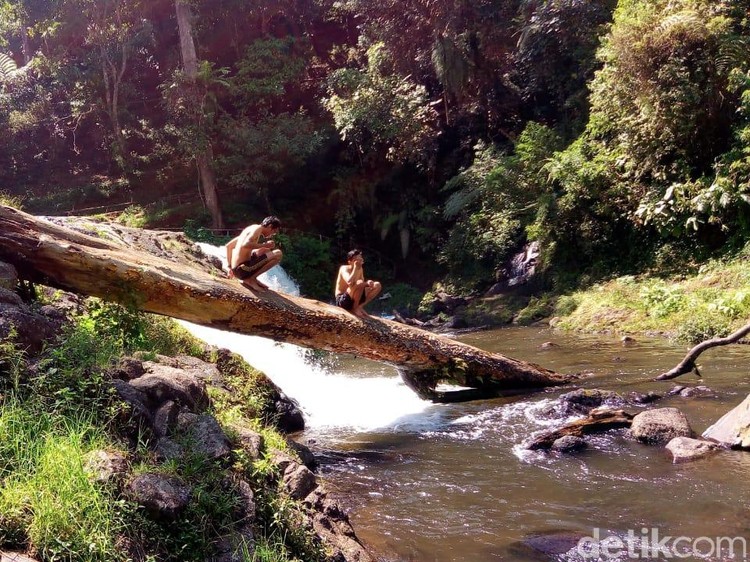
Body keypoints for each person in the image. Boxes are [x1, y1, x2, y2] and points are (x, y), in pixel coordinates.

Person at [226, 216, 283, 291]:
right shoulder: (257, 230)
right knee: (278, 253)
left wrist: (230, 267)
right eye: (274, 232)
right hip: (243, 270)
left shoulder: (251, 228)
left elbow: (228, 246)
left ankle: (252, 278)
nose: (272, 234)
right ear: (270, 226)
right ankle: (251, 279)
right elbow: (245, 244)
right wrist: (264, 245)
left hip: (238, 269)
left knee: (265, 251)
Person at [334, 249, 381, 318]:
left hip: (355, 296)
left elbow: (361, 286)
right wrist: (355, 268)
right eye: (356, 260)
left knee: (377, 285)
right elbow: (350, 282)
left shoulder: (360, 269)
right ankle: (355, 308)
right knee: (360, 283)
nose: (359, 261)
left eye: (360, 258)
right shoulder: (344, 268)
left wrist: (368, 283)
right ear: (350, 262)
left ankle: (359, 307)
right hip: (343, 300)